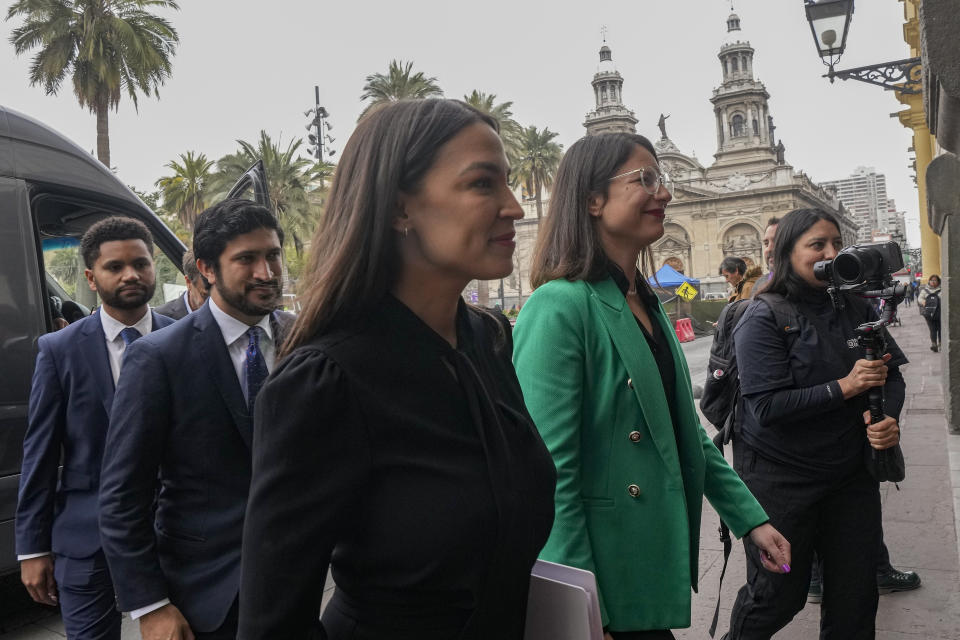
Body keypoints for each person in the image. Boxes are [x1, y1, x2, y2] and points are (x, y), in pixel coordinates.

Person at [237, 99, 557, 640]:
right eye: (483, 184)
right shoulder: (326, 380)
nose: (515, 207)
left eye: (508, 183)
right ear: (399, 209)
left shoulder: (488, 340)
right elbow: (273, 623)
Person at [512, 132, 790, 639]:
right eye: (645, 179)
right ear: (593, 199)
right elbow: (550, 475)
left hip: (643, 560)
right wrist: (579, 605)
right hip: (605, 577)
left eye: (660, 179)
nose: (664, 193)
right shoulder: (558, 306)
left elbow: (681, 432)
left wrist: (750, 520)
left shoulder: (647, 302)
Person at [99, 199, 294, 640]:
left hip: (297, 588)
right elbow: (122, 495)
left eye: (273, 255)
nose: (266, 272)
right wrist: (150, 606)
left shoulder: (305, 340)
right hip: (204, 598)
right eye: (246, 259)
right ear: (206, 268)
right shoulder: (157, 358)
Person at [724, 208, 907, 639]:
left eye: (835, 243)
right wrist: (844, 387)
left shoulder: (854, 306)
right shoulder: (763, 316)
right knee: (779, 593)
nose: (830, 253)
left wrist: (887, 418)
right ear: (788, 253)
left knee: (855, 597)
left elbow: (891, 373)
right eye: (817, 245)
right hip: (783, 486)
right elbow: (766, 406)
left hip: (849, 482)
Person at [16, 217, 174, 640]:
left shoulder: (186, 340)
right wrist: (32, 547)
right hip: (86, 538)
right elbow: (40, 451)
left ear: (154, 264)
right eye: (115, 266)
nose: (130, 275)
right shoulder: (58, 350)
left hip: (175, 532)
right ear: (91, 276)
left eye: (140, 263)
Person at [154, 249, 209, 319]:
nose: (215, 304)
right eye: (206, 296)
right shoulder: (160, 319)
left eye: (220, 295)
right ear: (188, 282)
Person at [918, 275, 942, 352]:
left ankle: (941, 344)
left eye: (935, 280)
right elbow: (920, 298)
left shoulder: (942, 290)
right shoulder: (925, 291)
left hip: (940, 313)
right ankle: (934, 344)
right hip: (929, 314)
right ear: (929, 281)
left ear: (938, 281)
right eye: (931, 280)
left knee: (941, 329)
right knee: (932, 329)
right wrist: (923, 301)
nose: (933, 282)